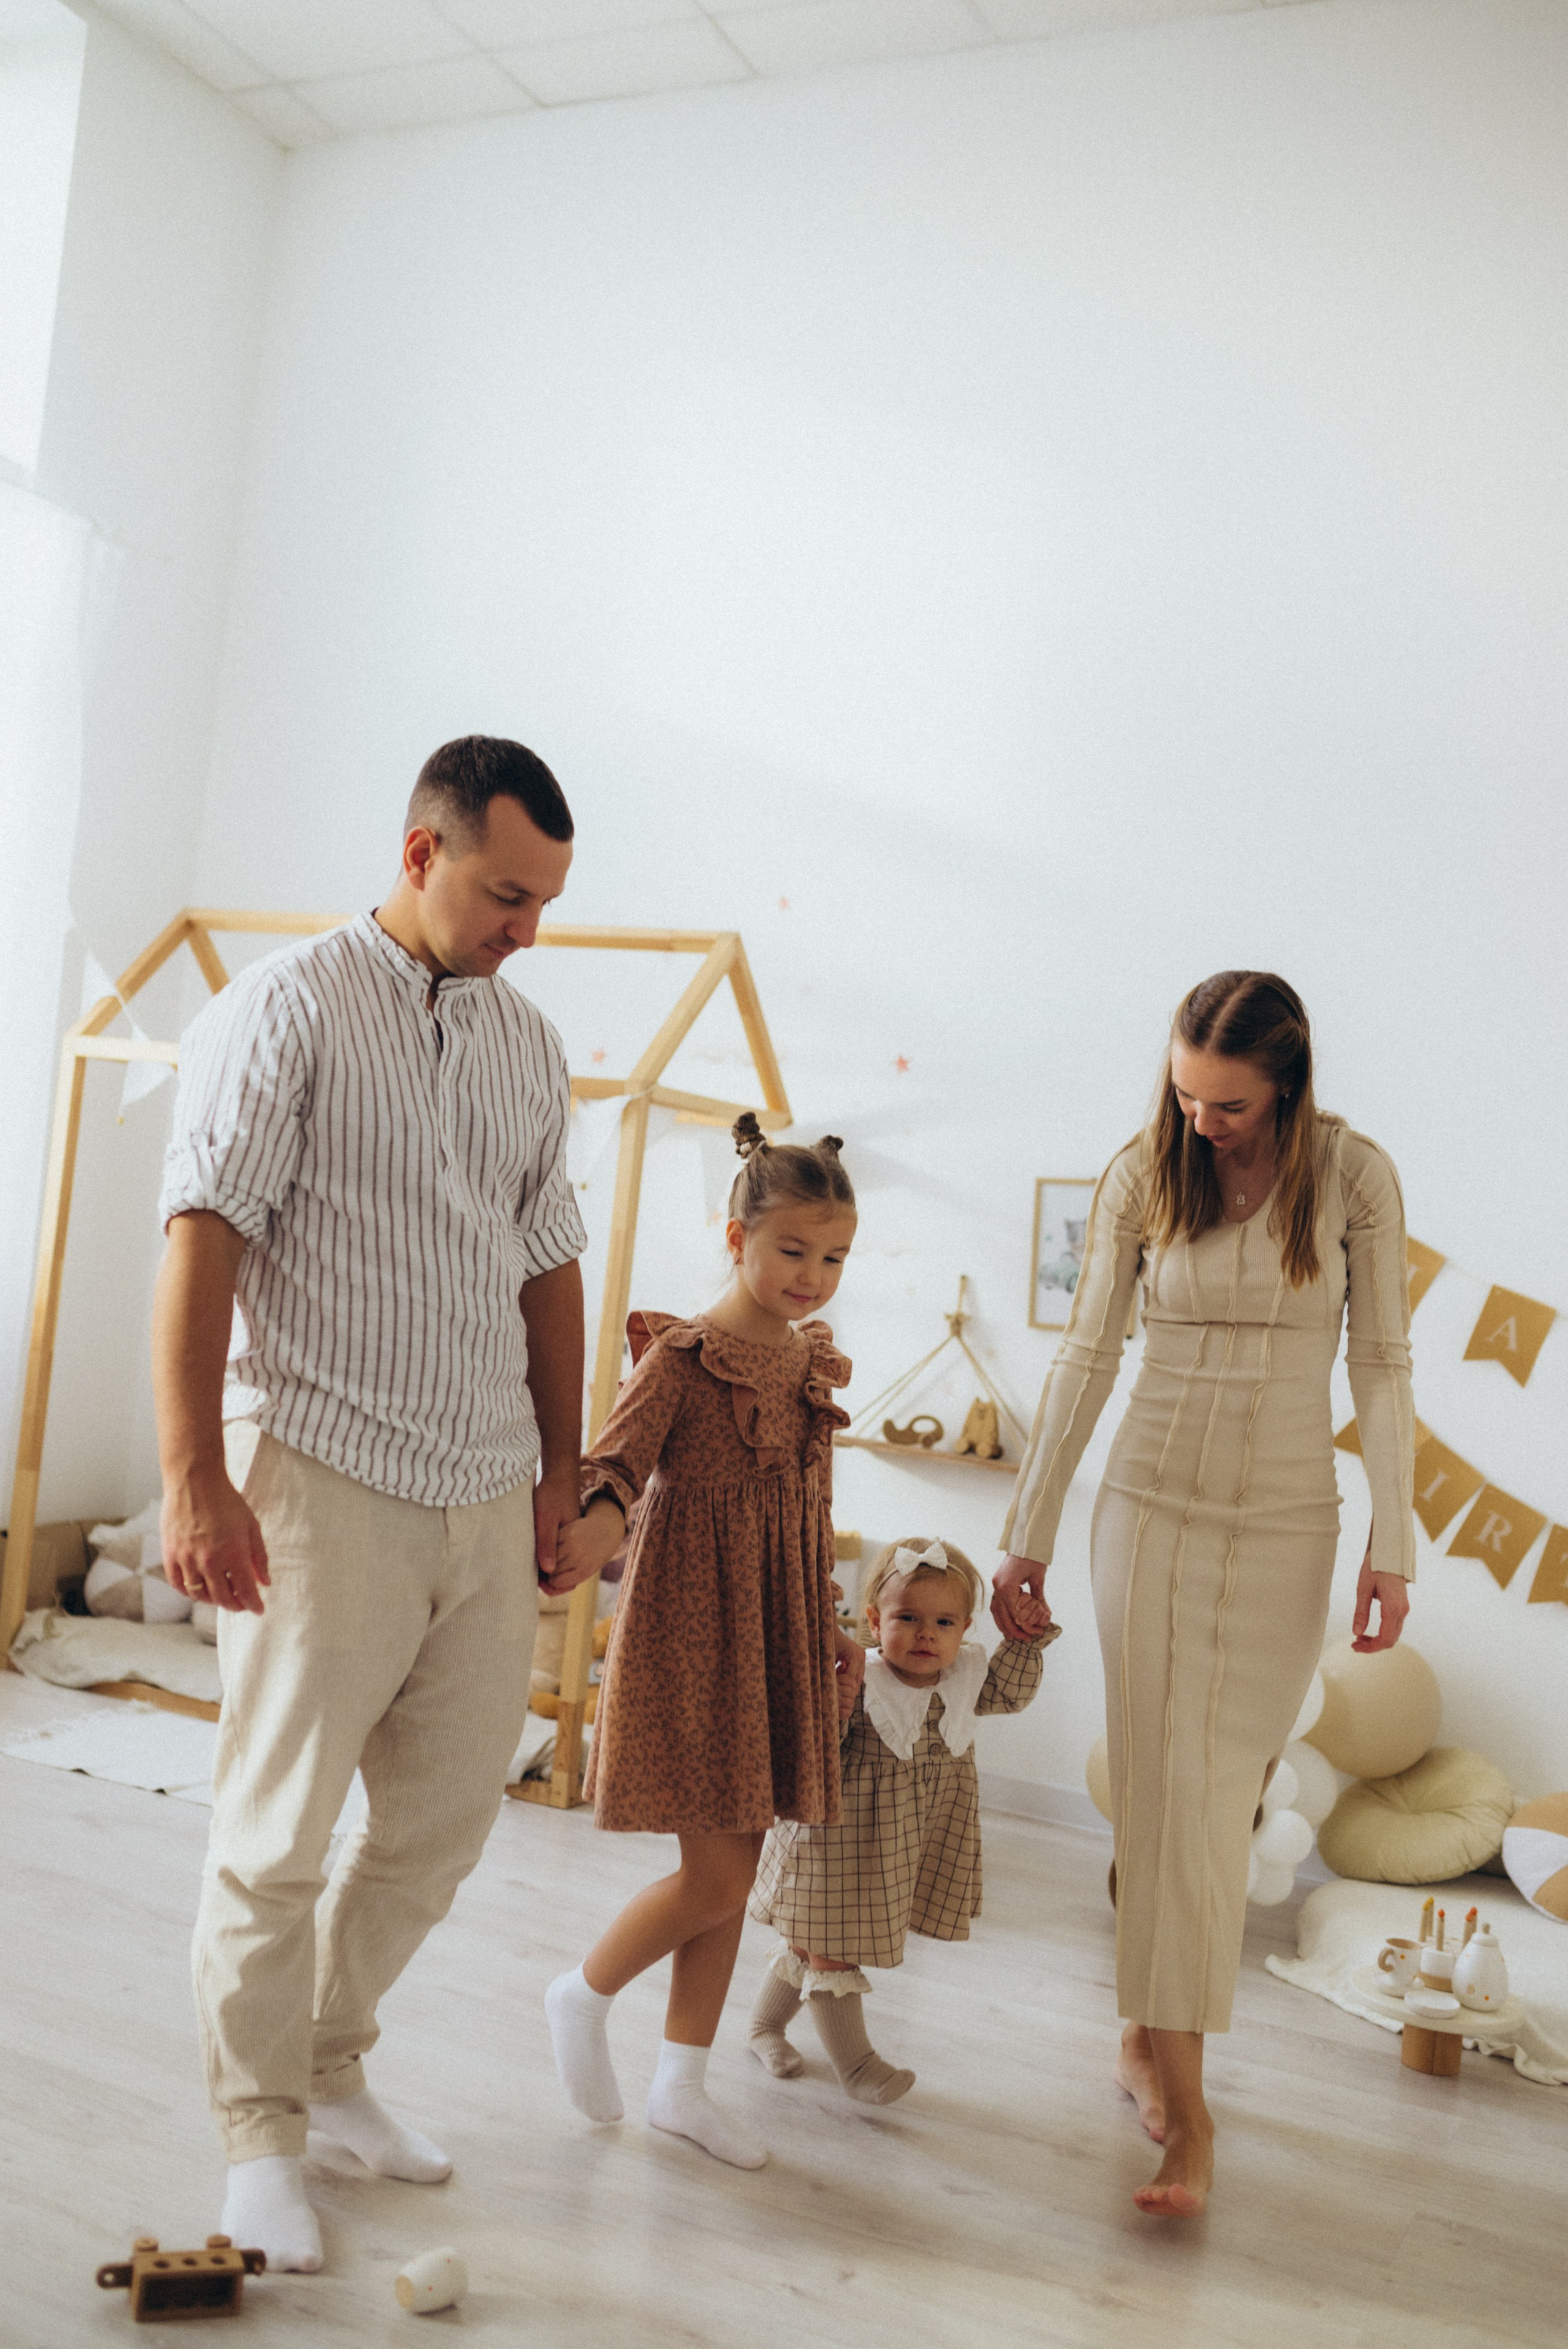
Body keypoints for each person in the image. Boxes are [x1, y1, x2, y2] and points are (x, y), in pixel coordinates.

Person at [153, 736, 594, 2272]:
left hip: (481, 1483)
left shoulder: (529, 1044)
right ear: (420, 853)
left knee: (444, 1821)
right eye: (502, 891)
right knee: (275, 1835)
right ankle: (256, 2130)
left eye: (542, 901)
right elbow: (201, 1235)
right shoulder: (279, 1009)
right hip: (321, 1470)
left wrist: (567, 1468)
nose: (522, 925)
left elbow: (549, 1263)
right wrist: (192, 1470)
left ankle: (331, 2062)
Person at [991, 971, 1414, 2219]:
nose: (1198, 1122)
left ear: (1281, 1084)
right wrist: (1026, 1532)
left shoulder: (1351, 1176)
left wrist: (1393, 1541)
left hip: (1287, 1522)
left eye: (1224, 1104)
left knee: (1213, 1802)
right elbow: (1084, 1357)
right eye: (1182, 1094)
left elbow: (1382, 1365)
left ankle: (1140, 2034)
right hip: (1152, 1509)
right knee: (1164, 1782)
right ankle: (1188, 2113)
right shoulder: (1142, 1172)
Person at [544, 1115, 864, 2170]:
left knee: (735, 1861)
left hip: (775, 1632)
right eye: (792, 1251)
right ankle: (582, 1992)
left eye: (832, 1257)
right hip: (695, 1631)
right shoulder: (683, 1357)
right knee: (717, 1879)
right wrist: (590, 1529)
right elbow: (615, 1463)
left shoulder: (809, 1365)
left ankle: (683, 2082)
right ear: (736, 1237)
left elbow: (809, 1510)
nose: (813, 1276)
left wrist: (828, 1623)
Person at [747, 1535, 1057, 2104]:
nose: (925, 1634)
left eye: (943, 1621)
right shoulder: (858, 1675)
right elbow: (816, 1747)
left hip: (901, 1837)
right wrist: (835, 1707)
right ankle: (858, 2064)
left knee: (810, 1938)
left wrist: (1026, 1639)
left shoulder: (966, 1674)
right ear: (873, 1619)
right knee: (830, 1946)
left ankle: (763, 2025)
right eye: (907, 1617)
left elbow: (1011, 1693)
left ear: (965, 1628)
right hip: (836, 1835)